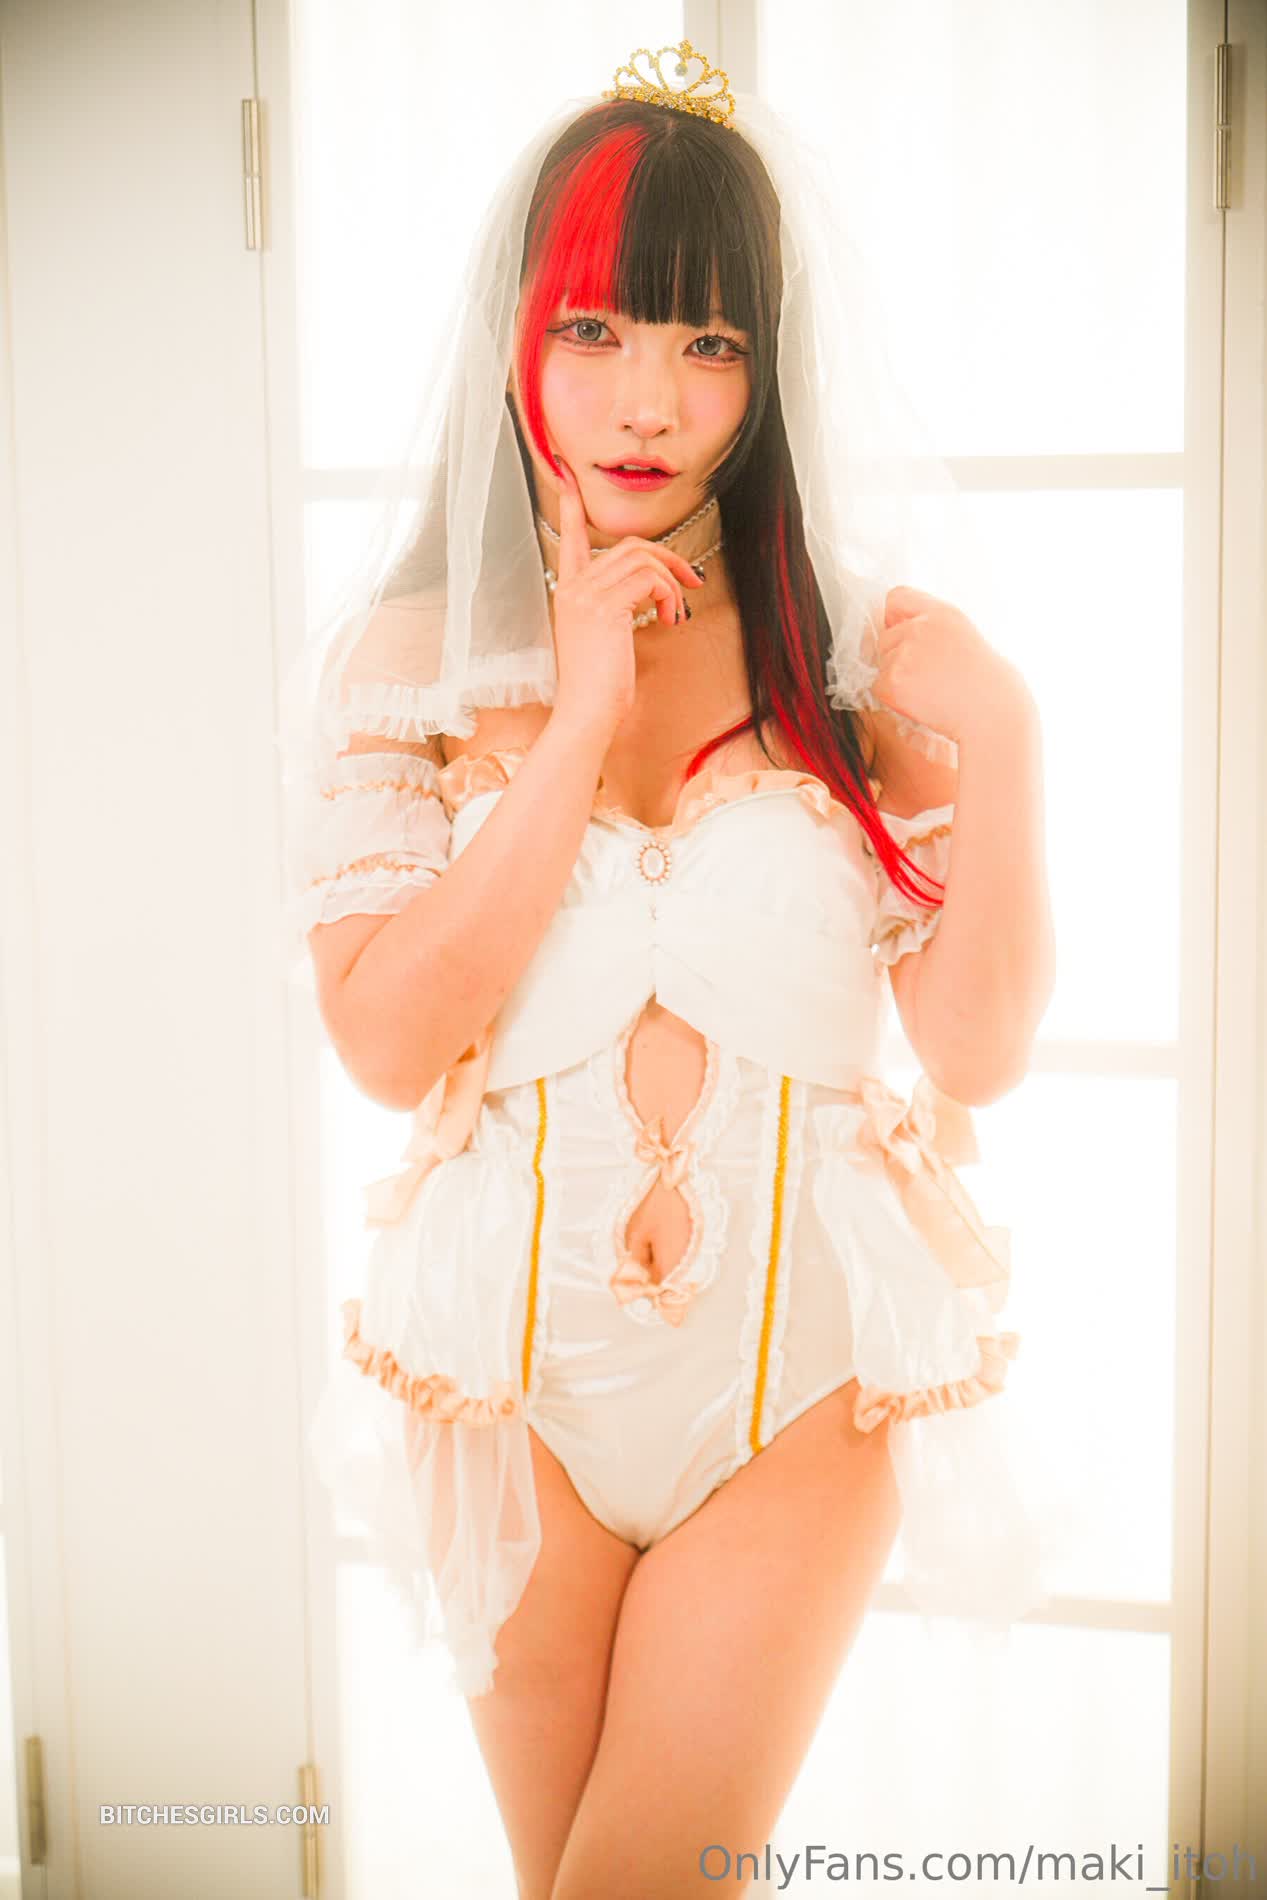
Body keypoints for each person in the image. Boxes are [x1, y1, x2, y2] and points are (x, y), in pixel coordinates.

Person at [281, 39, 1060, 1899]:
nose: (649, 401)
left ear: (767, 373)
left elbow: (973, 1052)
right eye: (597, 331)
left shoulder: (859, 658)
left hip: (799, 1391)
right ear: (518, 339)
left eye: (709, 343)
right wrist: (576, 717)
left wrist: (1011, 735)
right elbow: (386, 1043)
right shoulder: (409, 658)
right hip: (505, 1392)